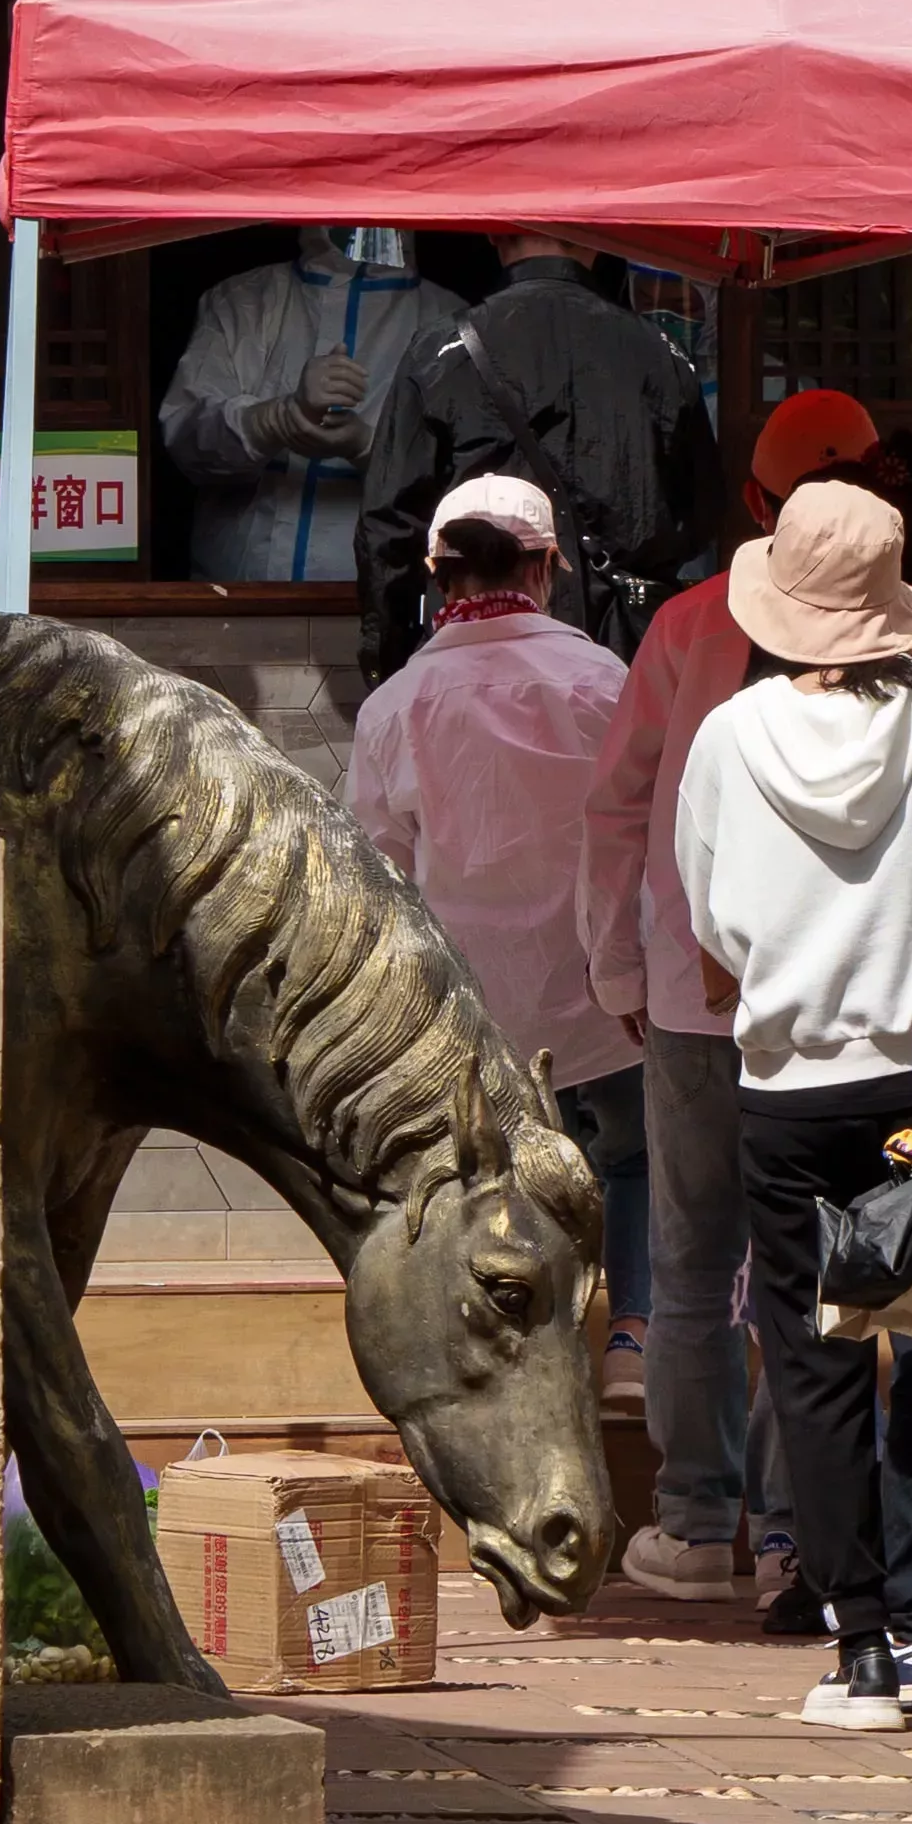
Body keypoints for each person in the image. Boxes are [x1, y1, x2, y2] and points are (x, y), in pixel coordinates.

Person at [588, 390, 897, 1595]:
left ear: (755, 505)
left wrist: (624, 963)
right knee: (819, 1271)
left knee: (690, 1258)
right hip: (845, 1011)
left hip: (696, 1003)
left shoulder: (684, 630)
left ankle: (693, 1511)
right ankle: (790, 1530)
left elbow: (623, 805)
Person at [675, 477, 912, 1726]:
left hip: (788, 1082)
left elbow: (705, 918)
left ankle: (855, 1643)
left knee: (815, 1358)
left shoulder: (730, 736)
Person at [348, 473, 647, 1311]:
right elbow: (639, 828)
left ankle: (504, 1333)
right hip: (601, 980)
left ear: (436, 573)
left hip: (464, 996)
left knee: (479, 1171)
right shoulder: (598, 679)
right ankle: (630, 1331)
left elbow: (381, 872)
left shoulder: (396, 704)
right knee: (629, 1157)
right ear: (548, 564)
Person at [363, 233, 722, 672]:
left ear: (495, 232)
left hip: (477, 654)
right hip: (628, 653)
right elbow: (702, 516)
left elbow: (389, 528)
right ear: (595, 233)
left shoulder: (440, 351)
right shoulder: (662, 354)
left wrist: (391, 661)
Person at [160, 226, 449, 586]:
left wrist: (371, 448)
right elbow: (185, 440)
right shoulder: (242, 301)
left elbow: (463, 480)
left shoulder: (450, 322)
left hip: (382, 600)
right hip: (237, 594)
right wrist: (270, 421)